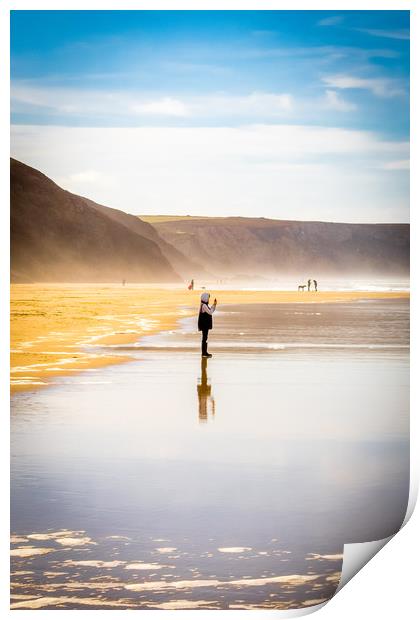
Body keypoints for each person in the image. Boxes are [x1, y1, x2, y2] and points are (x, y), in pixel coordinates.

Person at [198, 292, 217, 357]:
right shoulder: (204, 305)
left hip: (204, 324)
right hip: (204, 325)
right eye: (208, 298)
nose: (208, 299)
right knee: (204, 338)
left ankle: (204, 352)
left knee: (205, 338)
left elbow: (210, 311)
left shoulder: (203, 305)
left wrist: (214, 305)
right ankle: (204, 353)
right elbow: (210, 312)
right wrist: (214, 305)